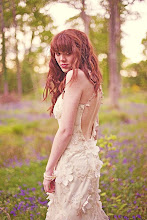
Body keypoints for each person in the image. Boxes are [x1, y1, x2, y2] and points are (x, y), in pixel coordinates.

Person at [43, 29, 109, 220]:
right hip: (87, 159)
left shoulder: (75, 77)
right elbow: (94, 129)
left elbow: (65, 131)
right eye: (57, 53)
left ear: (81, 51)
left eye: (68, 52)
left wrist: (49, 172)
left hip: (73, 164)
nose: (61, 59)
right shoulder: (93, 79)